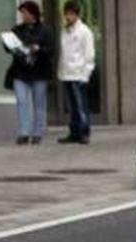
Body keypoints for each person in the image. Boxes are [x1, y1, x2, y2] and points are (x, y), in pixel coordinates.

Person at [5, 1, 54, 145]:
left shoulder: (45, 30)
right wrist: (8, 44)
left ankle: (38, 132)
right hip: (20, 72)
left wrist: (38, 49)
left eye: (25, 12)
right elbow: (10, 48)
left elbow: (51, 50)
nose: (23, 15)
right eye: (22, 13)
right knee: (22, 102)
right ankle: (24, 132)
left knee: (39, 103)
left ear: (33, 14)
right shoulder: (16, 30)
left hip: (39, 72)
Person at [57, 1, 95, 145]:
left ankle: (84, 133)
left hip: (79, 74)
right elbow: (64, 54)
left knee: (81, 106)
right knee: (72, 107)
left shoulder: (84, 31)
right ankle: (74, 132)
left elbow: (89, 54)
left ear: (77, 14)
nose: (68, 16)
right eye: (66, 13)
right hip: (67, 73)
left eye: (71, 13)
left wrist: (86, 74)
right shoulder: (65, 31)